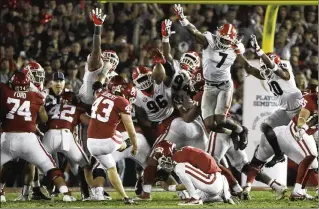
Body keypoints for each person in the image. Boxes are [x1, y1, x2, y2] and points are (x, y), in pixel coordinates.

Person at [173, 4, 248, 149]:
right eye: (222, 38)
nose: (224, 41)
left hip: (222, 86)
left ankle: (240, 130)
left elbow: (242, 55)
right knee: (210, 125)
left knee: (219, 120)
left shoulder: (234, 48)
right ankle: (232, 133)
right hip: (209, 87)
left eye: (227, 40)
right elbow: (195, 32)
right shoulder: (208, 42)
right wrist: (183, 20)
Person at [0, 71, 76, 202]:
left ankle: (1, 193)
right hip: (29, 139)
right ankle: (66, 193)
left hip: (7, 138)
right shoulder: (36, 96)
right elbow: (44, 118)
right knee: (50, 166)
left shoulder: (4, 91)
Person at [239, 35, 303, 167]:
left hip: (299, 109)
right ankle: (279, 155)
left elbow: (278, 71)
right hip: (286, 110)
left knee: (305, 140)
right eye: (263, 68)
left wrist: (259, 51)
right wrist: (236, 52)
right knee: (265, 127)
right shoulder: (267, 73)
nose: (264, 71)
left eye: (266, 67)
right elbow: (249, 68)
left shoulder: (284, 70)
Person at [244, 89, 318, 200]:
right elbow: (303, 116)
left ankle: (296, 191)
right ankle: (299, 190)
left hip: (284, 135)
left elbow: (315, 118)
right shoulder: (308, 101)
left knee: (311, 163)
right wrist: (303, 127)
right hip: (290, 132)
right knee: (311, 157)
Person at [87, 75, 138, 204]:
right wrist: (135, 145)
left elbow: (98, 87)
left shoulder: (100, 95)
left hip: (91, 143)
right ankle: (124, 145)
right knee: (121, 136)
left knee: (111, 167)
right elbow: (130, 128)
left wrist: (103, 75)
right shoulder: (122, 101)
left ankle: (125, 197)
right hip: (107, 142)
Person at [153, 140, 235, 206]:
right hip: (214, 184)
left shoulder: (178, 157)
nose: (165, 165)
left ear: (168, 152)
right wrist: (169, 188)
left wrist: (168, 187)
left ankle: (195, 199)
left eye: (164, 161)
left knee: (180, 167)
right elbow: (191, 183)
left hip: (211, 181)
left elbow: (186, 179)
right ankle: (221, 196)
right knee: (196, 191)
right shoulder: (184, 152)